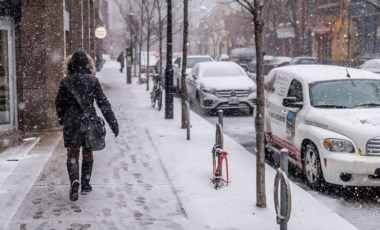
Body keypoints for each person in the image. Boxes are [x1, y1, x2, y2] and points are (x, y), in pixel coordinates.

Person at [55, 51, 119, 201]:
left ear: (70, 65)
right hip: (88, 121)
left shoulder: (66, 82)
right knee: (87, 153)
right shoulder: (93, 81)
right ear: (87, 65)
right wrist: (113, 123)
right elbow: (103, 104)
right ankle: (85, 183)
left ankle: (74, 181)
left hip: (71, 122)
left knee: (72, 153)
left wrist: (62, 119)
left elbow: (59, 103)